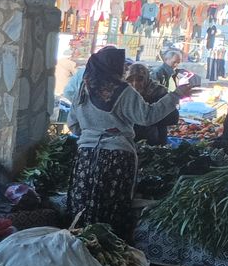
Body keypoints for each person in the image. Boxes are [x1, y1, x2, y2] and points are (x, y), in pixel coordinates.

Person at [67, 46, 178, 237]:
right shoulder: (123, 91)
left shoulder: (83, 90)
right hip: (117, 157)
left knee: (83, 201)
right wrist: (175, 96)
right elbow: (147, 116)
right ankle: (109, 245)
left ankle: (79, 243)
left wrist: (93, 130)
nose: (123, 70)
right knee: (112, 203)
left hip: (86, 156)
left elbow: (74, 126)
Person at [126, 64, 179, 146]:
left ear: (146, 79)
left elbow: (173, 118)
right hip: (130, 141)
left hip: (155, 142)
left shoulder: (158, 91)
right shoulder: (125, 94)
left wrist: (151, 114)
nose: (135, 83)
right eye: (130, 80)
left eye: (140, 79)